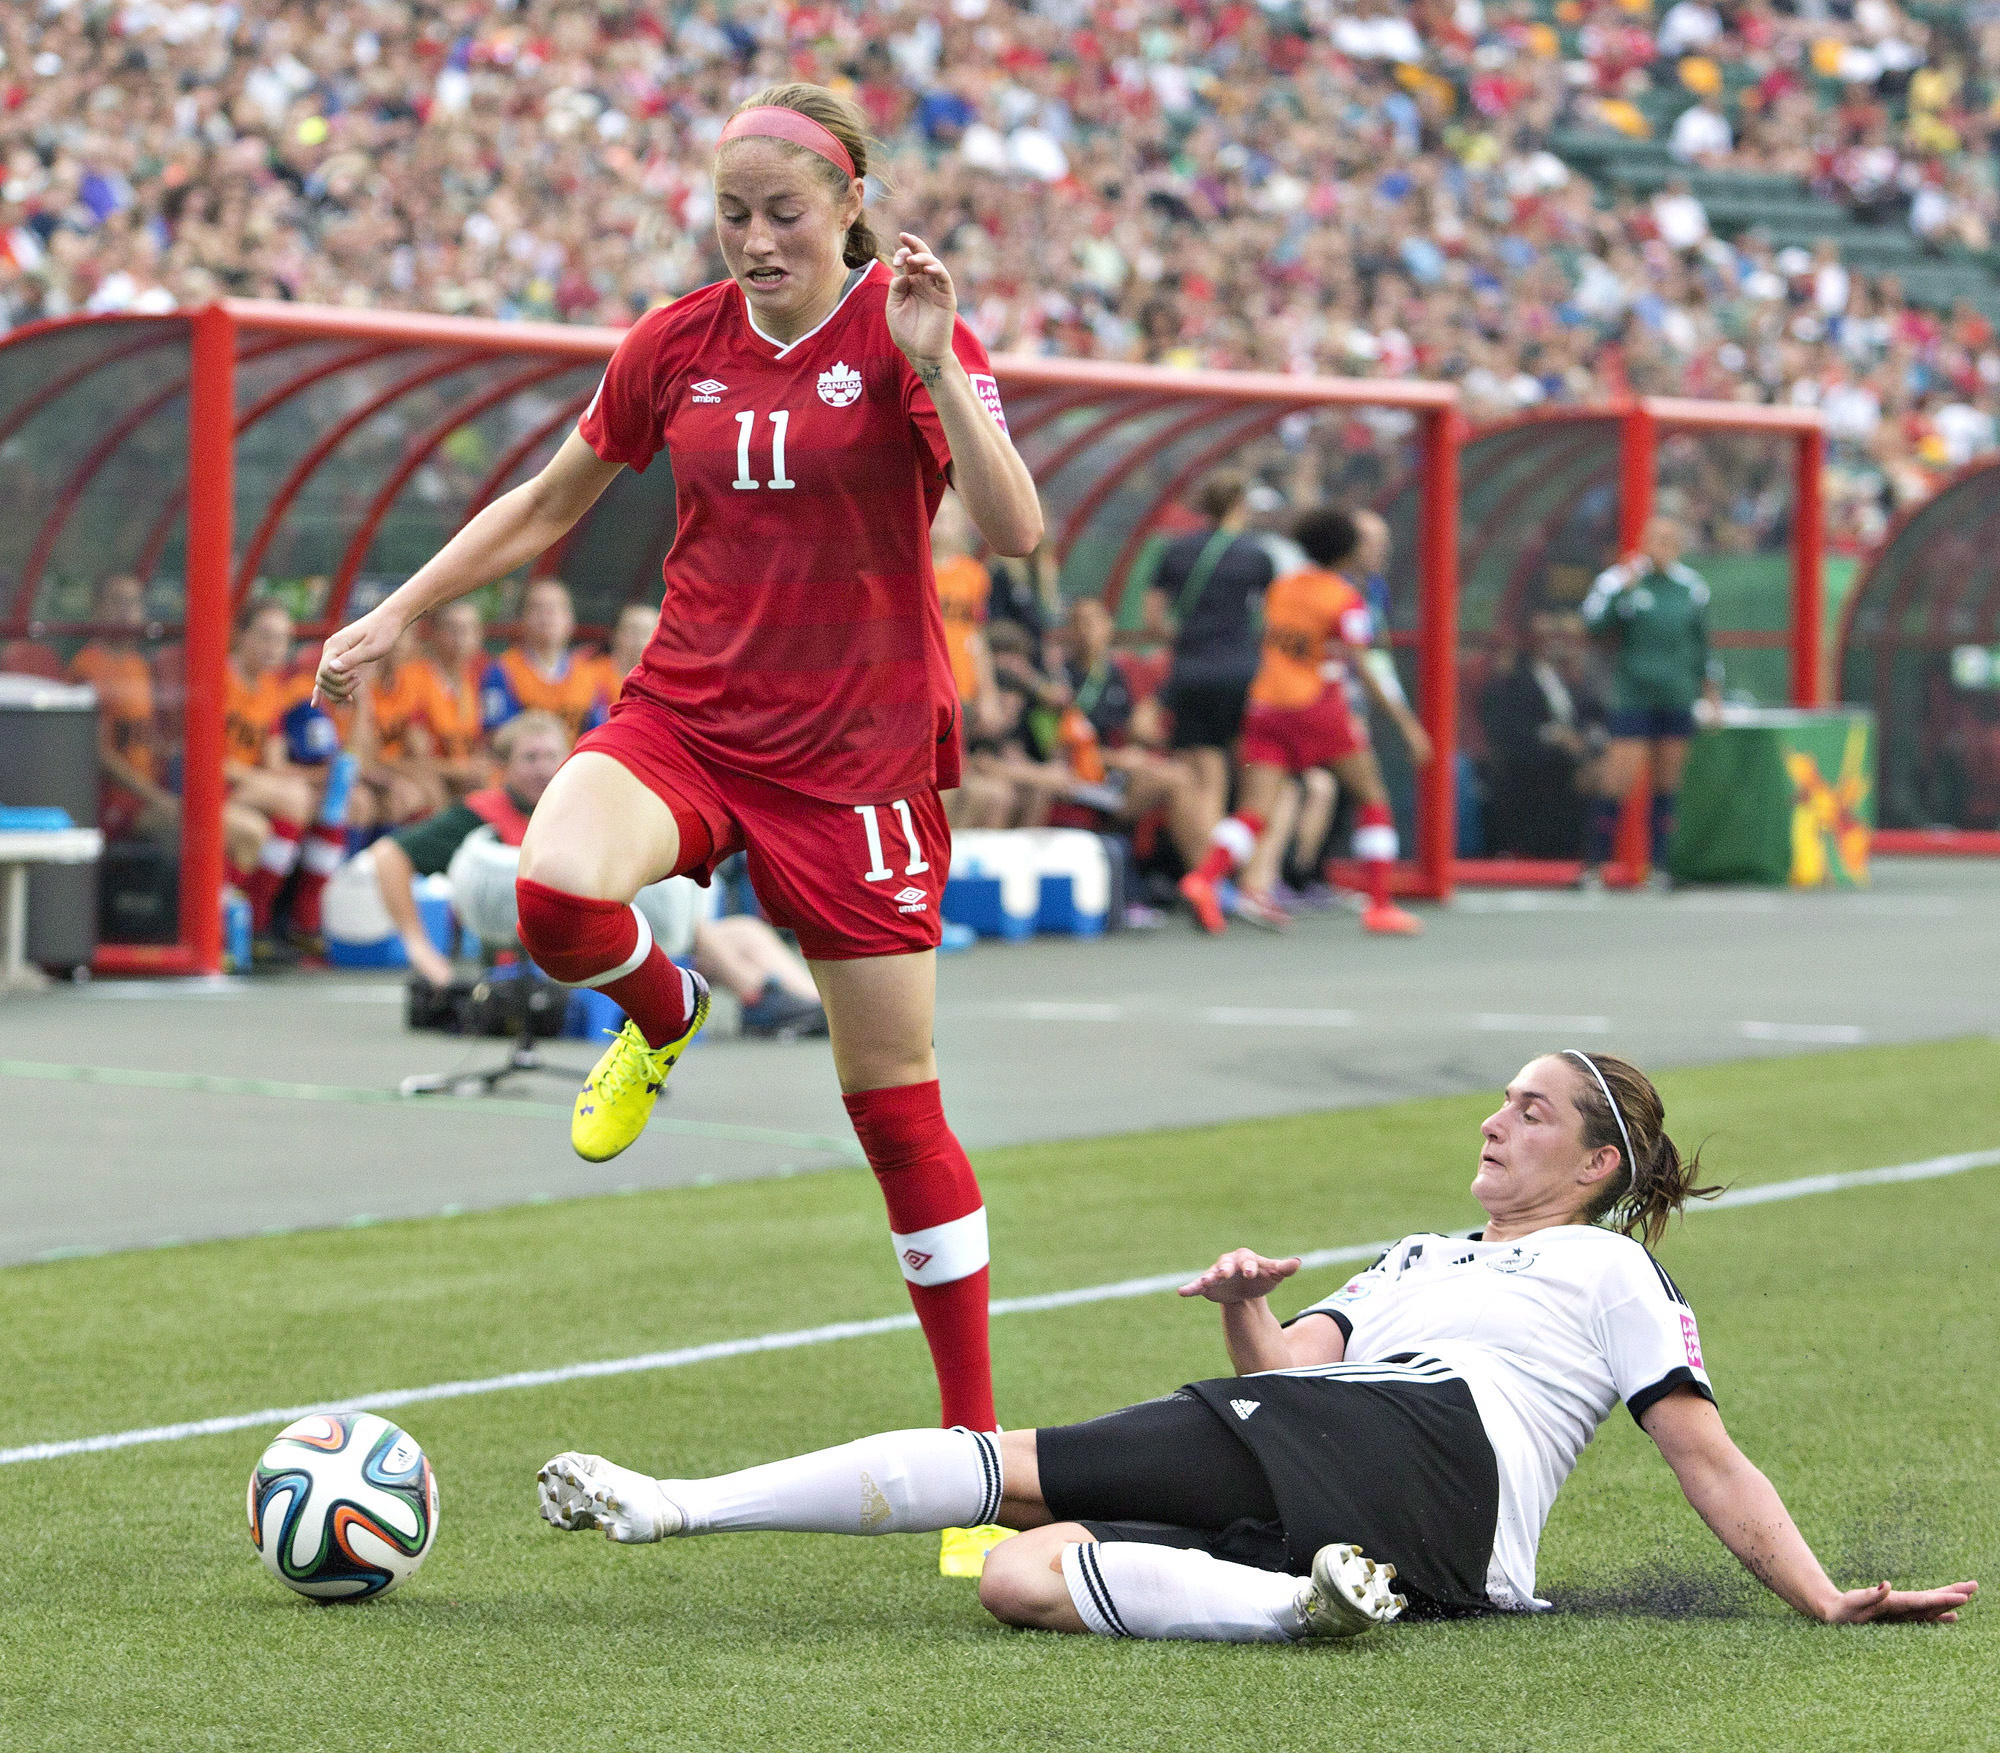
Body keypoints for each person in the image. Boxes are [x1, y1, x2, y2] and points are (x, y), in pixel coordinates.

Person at [315, 82, 1041, 1573]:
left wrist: (939, 372)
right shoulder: (677, 345)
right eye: (733, 214)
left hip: (856, 756)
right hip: (690, 713)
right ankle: (662, 1007)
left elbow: (1016, 530)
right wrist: (398, 609)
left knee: (892, 1096)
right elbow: (546, 502)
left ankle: (977, 1458)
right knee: (551, 891)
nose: (757, 239)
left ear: (852, 208)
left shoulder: (913, 333)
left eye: (785, 213)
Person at [536, 1049, 1979, 1643]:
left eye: (1533, 1113)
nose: (1495, 1119)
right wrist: (1242, 1302)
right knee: (1026, 1582)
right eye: (1502, 1099)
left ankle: (678, 1506)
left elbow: (1701, 1449)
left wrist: (1818, 1597)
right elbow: (1291, 1373)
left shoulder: (1606, 1265)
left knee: (1012, 1471)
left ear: (1599, 1166)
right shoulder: (1415, 1259)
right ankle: (1299, 1609)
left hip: (1436, 1456)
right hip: (1392, 1521)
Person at [373, 711, 828, 1036]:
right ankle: (758, 998)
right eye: (530, 758)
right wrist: (420, 949)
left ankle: (809, 1007)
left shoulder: (582, 806)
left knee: (743, 931)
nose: (543, 768)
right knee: (692, 927)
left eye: (552, 755)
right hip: (542, 960)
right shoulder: (481, 815)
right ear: (503, 767)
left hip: (624, 940)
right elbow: (390, 856)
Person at [1182, 509, 1431, 936]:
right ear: (1349, 549)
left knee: (1253, 812)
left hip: (1265, 706)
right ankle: (1380, 905)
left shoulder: (1282, 588)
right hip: (1315, 705)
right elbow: (1365, 664)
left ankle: (1204, 880)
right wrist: (1406, 725)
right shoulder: (1344, 599)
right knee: (1372, 797)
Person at [1580, 516, 1719, 887]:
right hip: (1633, 694)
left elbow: (1703, 642)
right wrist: (1625, 591)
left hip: (1676, 694)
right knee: (1618, 778)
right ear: (1643, 541)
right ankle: (1595, 864)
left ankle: (1660, 867)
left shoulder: (1691, 587)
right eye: (1656, 539)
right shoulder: (1619, 580)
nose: (1663, 546)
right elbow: (1593, 624)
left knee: (1667, 781)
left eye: (1671, 540)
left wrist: (1711, 691)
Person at [1150, 470, 1274, 857]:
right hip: (1241, 670)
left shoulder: (1176, 550)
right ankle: (1229, 871)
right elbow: (1271, 622)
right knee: (1245, 772)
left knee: (1202, 771)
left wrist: (1186, 637)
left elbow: (1154, 618)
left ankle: (1204, 871)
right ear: (1240, 505)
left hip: (1191, 670)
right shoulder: (1256, 555)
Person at [226, 599, 350, 953]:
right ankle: (257, 918)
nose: (273, 647)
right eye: (264, 636)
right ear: (240, 636)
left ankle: (288, 919)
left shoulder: (269, 689)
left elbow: (274, 762)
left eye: (282, 640)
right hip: (207, 786)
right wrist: (277, 784)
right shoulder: (218, 677)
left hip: (247, 787)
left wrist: (315, 778)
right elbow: (204, 760)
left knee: (326, 794)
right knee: (293, 798)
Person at [1477, 611, 1603, 860]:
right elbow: (1513, 734)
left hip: (1571, 763)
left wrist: (1583, 741)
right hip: (1534, 771)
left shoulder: (1563, 679)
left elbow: (1591, 717)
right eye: (1544, 636)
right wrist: (1560, 742)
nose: (1555, 642)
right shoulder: (1515, 681)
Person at [69, 574, 178, 845]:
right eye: (117, 601)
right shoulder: (86, 668)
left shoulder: (141, 665)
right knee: (185, 830)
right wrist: (156, 797)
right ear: (97, 610)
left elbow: (150, 736)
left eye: (134, 602)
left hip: (148, 793)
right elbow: (99, 755)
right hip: (109, 802)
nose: (127, 611)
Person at [479, 576, 613, 743]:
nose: (547, 616)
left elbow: (599, 735)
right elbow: (495, 735)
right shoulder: (501, 670)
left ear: (570, 620)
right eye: (537, 608)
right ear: (522, 619)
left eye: (555, 608)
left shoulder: (588, 675)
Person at [409, 598, 490, 796]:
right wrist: (464, 771)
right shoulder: (416, 677)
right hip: (423, 775)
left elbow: (480, 744)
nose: (460, 637)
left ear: (479, 636)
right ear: (435, 634)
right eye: (451, 628)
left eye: (467, 629)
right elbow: (417, 757)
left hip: (462, 775)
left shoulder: (477, 676)